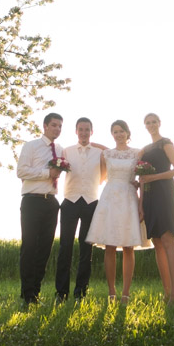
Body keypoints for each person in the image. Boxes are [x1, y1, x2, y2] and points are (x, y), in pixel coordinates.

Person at [86, 119, 151, 303]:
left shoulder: (138, 153)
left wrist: (140, 199)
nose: (119, 134)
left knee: (128, 246)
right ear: (112, 135)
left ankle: (126, 292)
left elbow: (143, 177)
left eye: (121, 131)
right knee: (110, 245)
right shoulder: (106, 154)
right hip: (110, 199)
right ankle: (111, 291)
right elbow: (102, 177)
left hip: (129, 197)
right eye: (115, 131)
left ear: (127, 133)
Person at [55, 117, 108, 302]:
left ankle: (80, 292)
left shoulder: (99, 152)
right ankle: (61, 293)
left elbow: (113, 152)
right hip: (70, 201)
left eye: (87, 130)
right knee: (65, 248)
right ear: (76, 131)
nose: (84, 133)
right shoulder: (66, 151)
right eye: (80, 129)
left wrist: (95, 144)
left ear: (91, 132)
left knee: (86, 250)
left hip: (91, 202)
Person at [16, 112, 65, 306]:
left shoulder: (60, 149)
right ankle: (27, 294)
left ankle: (35, 293)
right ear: (45, 126)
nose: (57, 129)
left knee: (45, 249)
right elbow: (21, 171)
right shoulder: (31, 146)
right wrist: (47, 173)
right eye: (54, 125)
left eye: (60, 126)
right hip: (32, 201)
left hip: (51, 202)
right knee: (29, 247)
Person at [139, 112, 174, 304]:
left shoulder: (166, 143)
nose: (151, 125)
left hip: (164, 192)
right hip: (148, 195)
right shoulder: (144, 149)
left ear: (159, 123)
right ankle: (166, 293)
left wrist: (153, 178)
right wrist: (140, 201)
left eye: (154, 121)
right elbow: (140, 177)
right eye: (148, 122)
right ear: (145, 126)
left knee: (167, 239)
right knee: (157, 242)